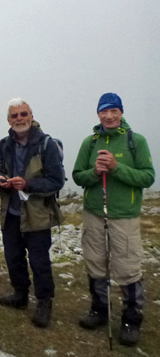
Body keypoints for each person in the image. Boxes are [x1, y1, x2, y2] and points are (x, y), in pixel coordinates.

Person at [72, 92, 154, 346]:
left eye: (113, 111)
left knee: (128, 268)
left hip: (124, 215)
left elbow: (147, 177)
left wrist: (117, 169)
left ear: (121, 112)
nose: (108, 116)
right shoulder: (90, 142)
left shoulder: (135, 141)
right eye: (104, 111)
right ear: (98, 114)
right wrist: (95, 172)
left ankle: (131, 319)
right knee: (95, 262)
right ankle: (99, 309)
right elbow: (78, 176)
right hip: (94, 212)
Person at [0, 98, 64, 328]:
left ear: (31, 115)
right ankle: (20, 295)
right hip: (11, 212)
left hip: (37, 214)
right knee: (13, 256)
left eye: (23, 114)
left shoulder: (46, 144)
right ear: (9, 120)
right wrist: (1, 182)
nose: (19, 119)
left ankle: (44, 303)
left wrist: (28, 184)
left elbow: (56, 181)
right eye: (14, 116)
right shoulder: (5, 144)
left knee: (39, 261)